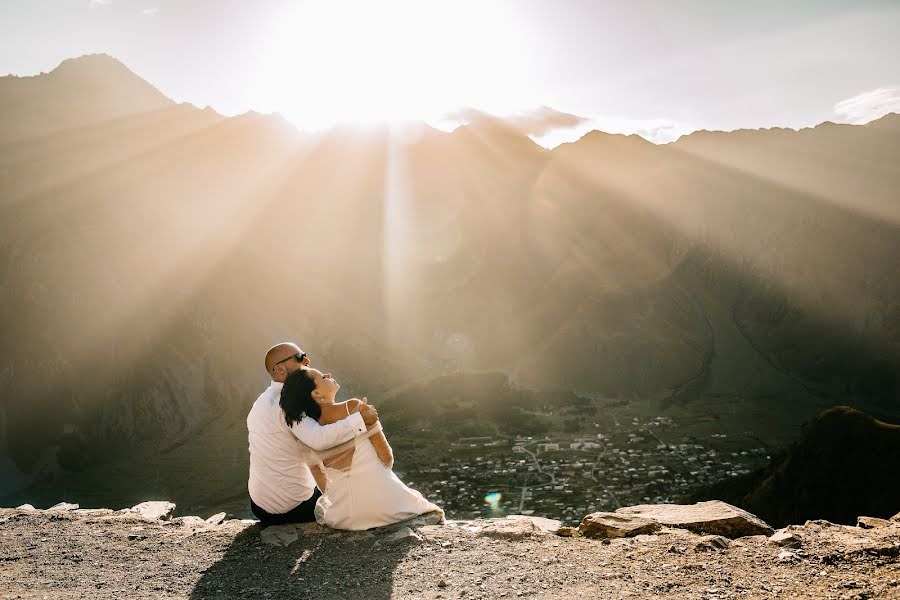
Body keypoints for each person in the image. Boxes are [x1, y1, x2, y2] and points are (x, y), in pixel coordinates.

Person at [280, 367, 443, 530]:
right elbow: (387, 458)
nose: (328, 375)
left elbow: (321, 481)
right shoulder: (353, 407)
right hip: (387, 506)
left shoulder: (308, 432)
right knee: (429, 510)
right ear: (316, 394)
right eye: (322, 377)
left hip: (344, 517)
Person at [247, 342, 379, 526]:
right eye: (300, 357)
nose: (307, 360)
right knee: (351, 496)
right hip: (292, 507)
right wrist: (359, 419)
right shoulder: (287, 403)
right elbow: (318, 439)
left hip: (259, 506)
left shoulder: (261, 401)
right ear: (279, 369)